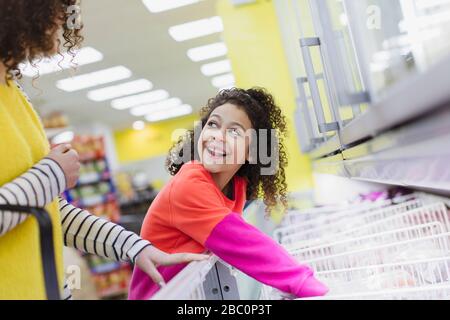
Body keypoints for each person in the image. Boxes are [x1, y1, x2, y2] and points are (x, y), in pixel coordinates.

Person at [0, 0, 207, 300]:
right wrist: (52, 174)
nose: (63, 17)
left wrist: (135, 247)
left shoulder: (15, 95)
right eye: (58, 7)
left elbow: (47, 212)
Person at [128, 87, 329, 299]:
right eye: (213, 124)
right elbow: (244, 245)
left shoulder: (236, 186)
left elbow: (242, 241)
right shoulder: (188, 185)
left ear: (252, 150)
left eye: (234, 131)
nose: (218, 136)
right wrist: (303, 281)